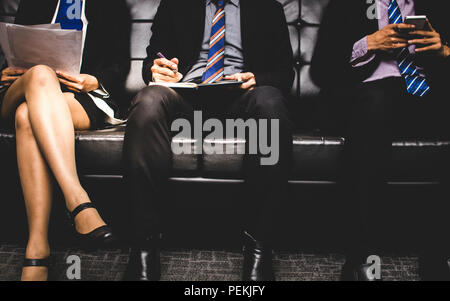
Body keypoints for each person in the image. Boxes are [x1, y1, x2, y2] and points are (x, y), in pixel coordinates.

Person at [123, 0, 294, 281]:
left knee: (271, 102)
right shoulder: (174, 5)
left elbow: (285, 74)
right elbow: (150, 67)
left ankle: (260, 244)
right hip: (187, 95)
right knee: (148, 101)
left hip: (242, 96)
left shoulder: (267, 7)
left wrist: (257, 78)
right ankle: (143, 244)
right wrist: (160, 71)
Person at [311, 0, 449, 280]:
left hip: (422, 97)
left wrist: (444, 50)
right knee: (375, 102)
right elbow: (320, 71)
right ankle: (360, 257)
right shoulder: (346, 6)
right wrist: (368, 43)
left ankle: (438, 255)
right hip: (365, 98)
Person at [0, 0, 131, 281]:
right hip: (21, 86)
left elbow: (118, 65)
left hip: (77, 96)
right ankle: (78, 201)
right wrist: (4, 71)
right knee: (40, 74)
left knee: (26, 117)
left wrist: (93, 81)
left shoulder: (112, 5)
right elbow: (14, 46)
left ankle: (37, 249)